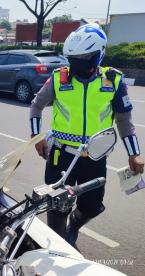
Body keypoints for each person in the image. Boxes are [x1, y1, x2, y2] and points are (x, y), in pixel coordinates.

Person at [29, 24, 144, 248]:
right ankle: (57, 248)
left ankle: (75, 224)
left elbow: (124, 121)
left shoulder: (113, 81)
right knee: (56, 206)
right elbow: (36, 106)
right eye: (73, 59)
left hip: (95, 156)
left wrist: (134, 155)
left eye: (84, 58)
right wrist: (36, 136)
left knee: (92, 206)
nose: (77, 64)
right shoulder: (59, 79)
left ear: (97, 56)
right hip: (60, 155)